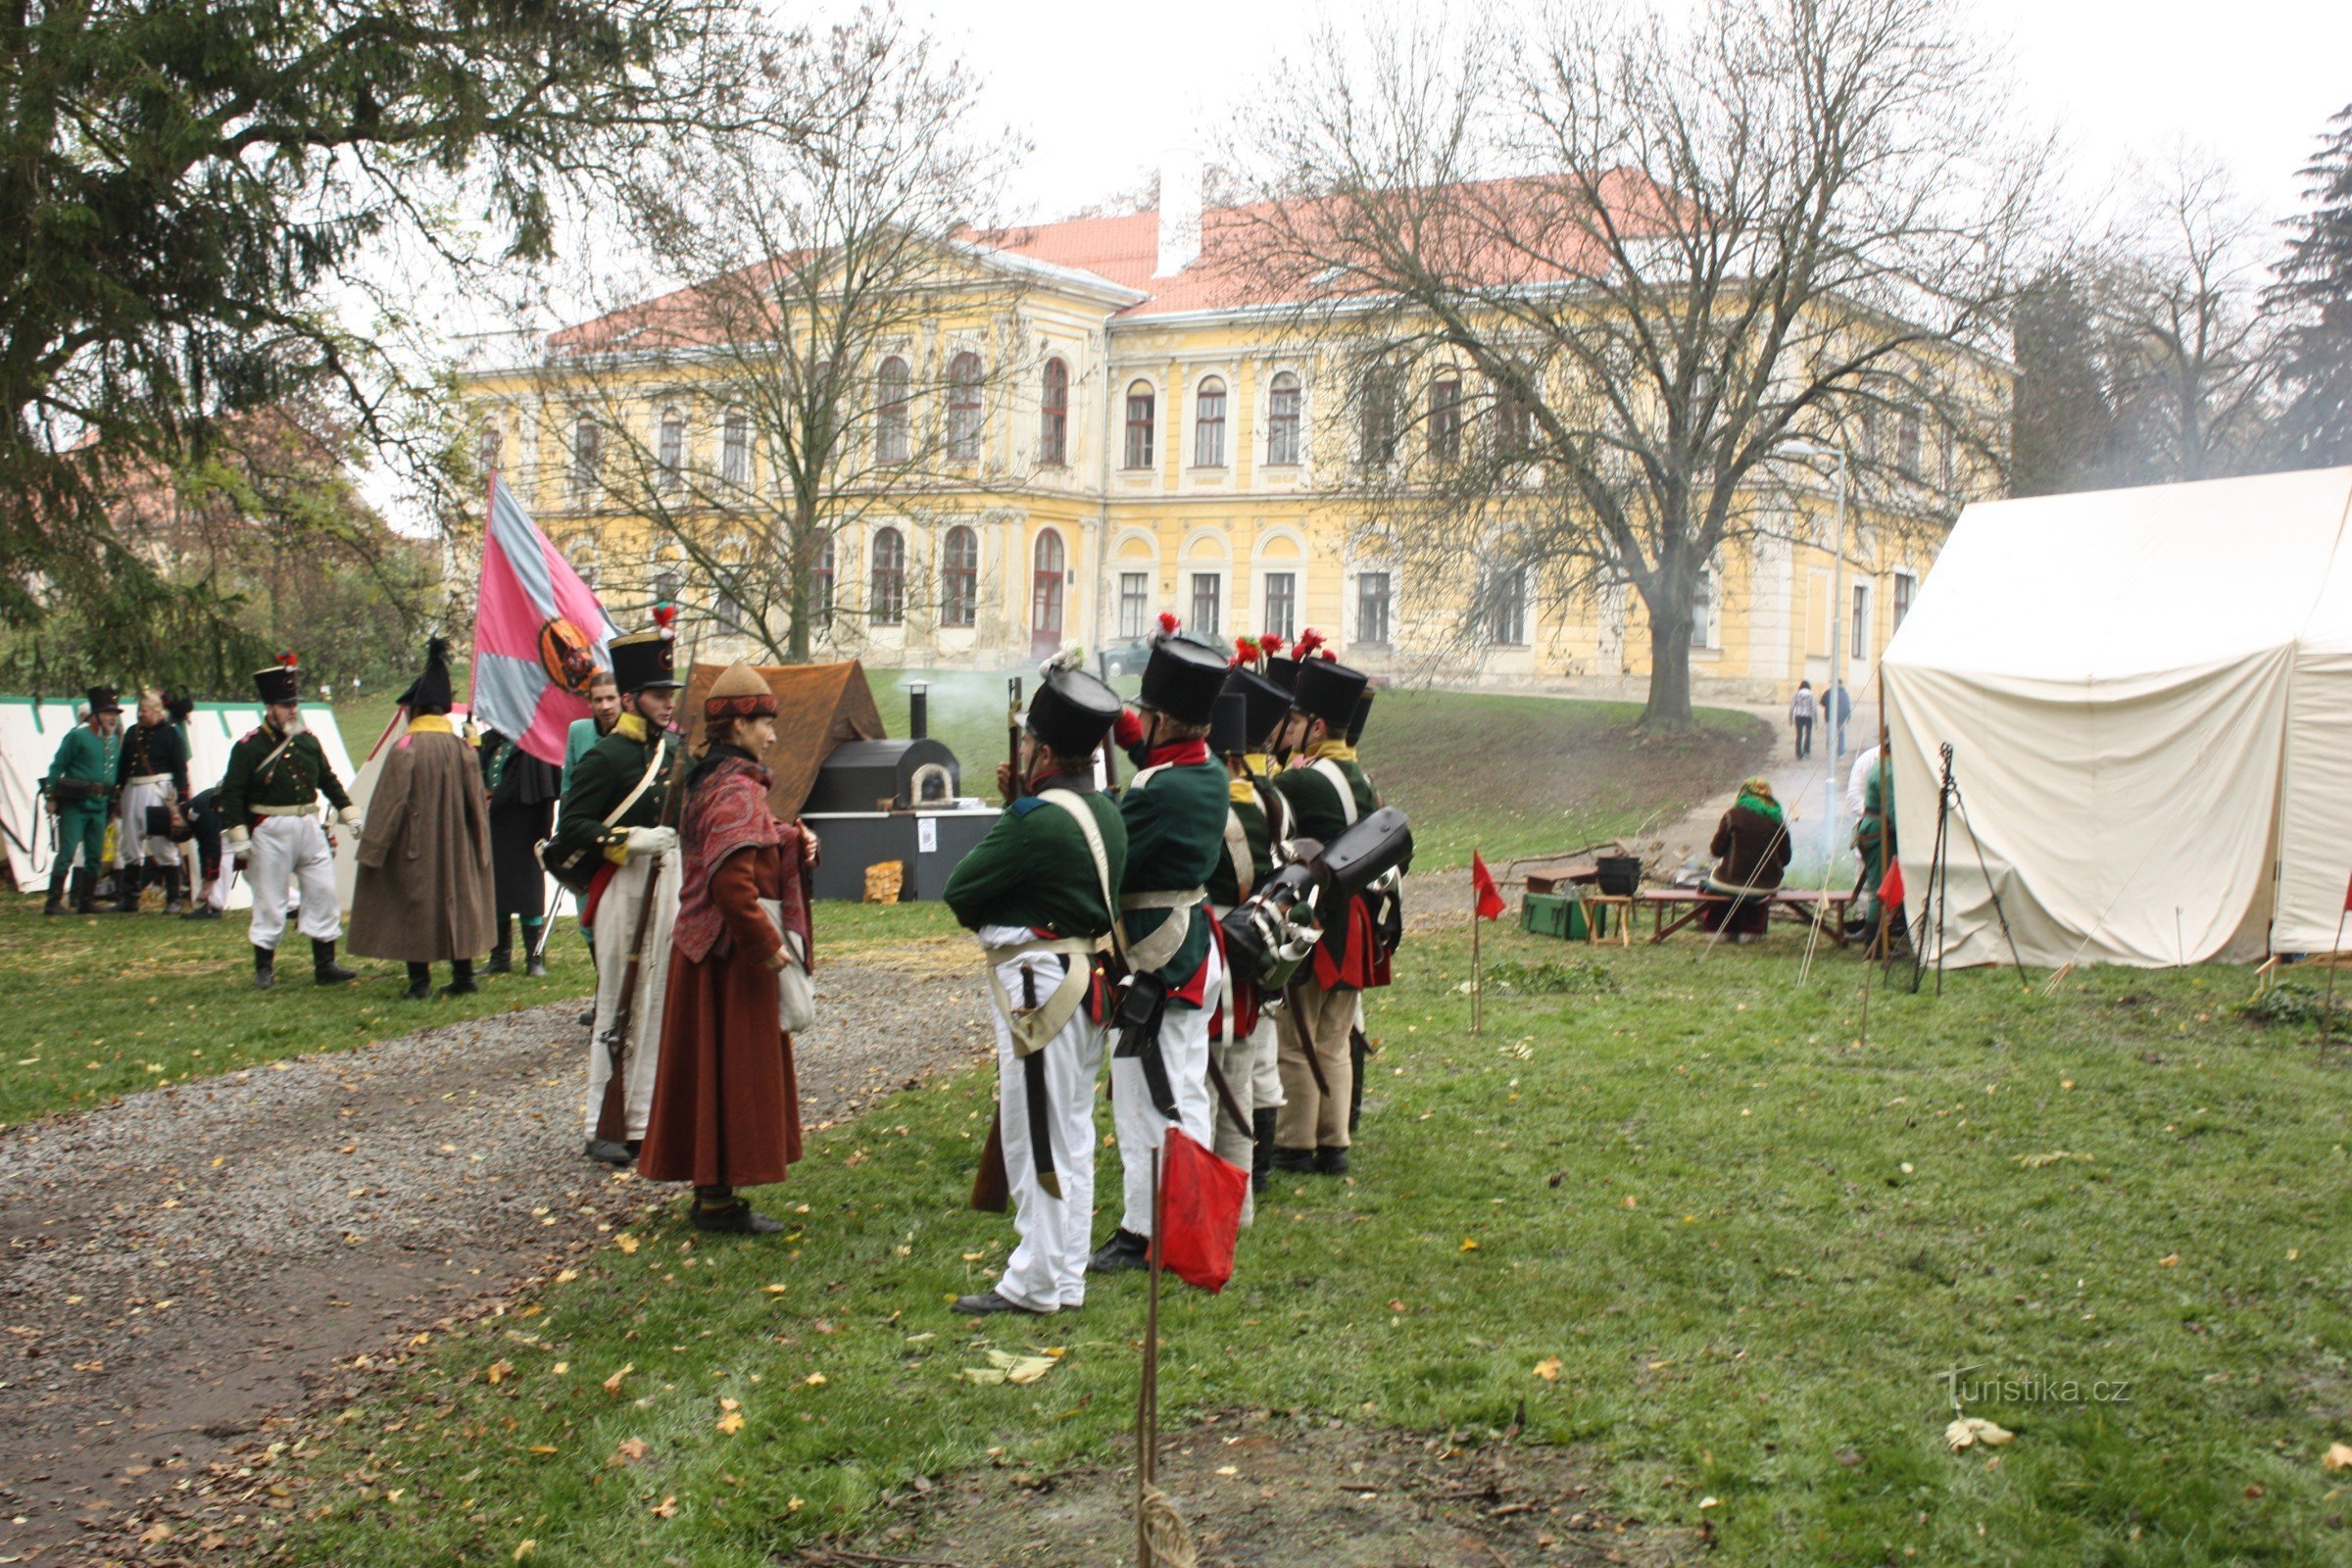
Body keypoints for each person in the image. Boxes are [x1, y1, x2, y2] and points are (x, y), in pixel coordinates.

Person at [942, 662, 1127, 1314]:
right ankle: (1064, 1275)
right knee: (1070, 1133)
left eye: (1029, 745)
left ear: (1044, 750)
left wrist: (1016, 816)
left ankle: (1036, 1283)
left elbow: (962, 891)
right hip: (1081, 984)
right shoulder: (1106, 813)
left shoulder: (1038, 819)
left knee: (1036, 1139)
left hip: (1037, 985)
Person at [638, 662, 821, 1234]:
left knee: (715, 1077)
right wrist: (767, 944)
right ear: (739, 726)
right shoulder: (736, 790)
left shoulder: (717, 781)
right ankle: (715, 1203)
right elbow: (729, 882)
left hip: (709, 951)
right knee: (731, 1078)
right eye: (765, 722)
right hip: (726, 957)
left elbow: (742, 846)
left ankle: (713, 1196)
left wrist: (789, 838)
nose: (772, 734)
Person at [1088, 632, 1234, 1277]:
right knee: (1161, 1093)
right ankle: (1159, 1225)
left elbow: (1110, 852)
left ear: (1163, 719)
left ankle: (1163, 1233)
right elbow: (1149, 755)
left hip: (1161, 955)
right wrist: (1116, 718)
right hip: (1181, 948)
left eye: (1145, 713)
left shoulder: (1159, 790)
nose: (1138, 723)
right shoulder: (1201, 769)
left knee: (1160, 1098)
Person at [545, 625, 683, 1167]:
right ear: (630, 699)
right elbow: (572, 827)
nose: (668, 703)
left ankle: (642, 1119)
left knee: (658, 1001)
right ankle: (600, 1120)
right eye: (658, 694)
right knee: (619, 1000)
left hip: (666, 877)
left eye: (670, 694)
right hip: (622, 882)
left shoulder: (674, 751)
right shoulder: (604, 757)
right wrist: (627, 840)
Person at [1265, 657, 1386, 1175]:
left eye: (1294, 721)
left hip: (1315, 920)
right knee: (1335, 1036)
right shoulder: (1359, 775)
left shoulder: (1305, 780)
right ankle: (1333, 1143)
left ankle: (1295, 1144)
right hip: (1355, 922)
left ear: (1315, 726)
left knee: (1296, 1037)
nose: (1286, 731)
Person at [350, 639, 496, 1000]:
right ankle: (464, 977)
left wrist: (373, 850)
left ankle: (420, 983)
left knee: (414, 908)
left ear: (414, 710)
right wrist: (480, 847)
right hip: (458, 846)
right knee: (458, 907)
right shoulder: (462, 749)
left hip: (414, 846)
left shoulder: (406, 749)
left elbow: (387, 804)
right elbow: (478, 806)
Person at [219, 658, 361, 989]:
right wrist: (239, 835)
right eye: (285, 705)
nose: (292, 710)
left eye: (294, 703)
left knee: (323, 892)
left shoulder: (308, 741)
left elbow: (327, 779)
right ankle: (264, 969)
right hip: (269, 829)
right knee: (270, 900)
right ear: (270, 708)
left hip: (309, 827)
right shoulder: (249, 747)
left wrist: (348, 811)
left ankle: (325, 965)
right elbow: (232, 794)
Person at [1223, 666, 1295, 1193]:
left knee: (1228, 1064)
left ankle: (1238, 1168)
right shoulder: (1274, 797)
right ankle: (1260, 1168)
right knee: (1261, 1055)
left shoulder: (1222, 800)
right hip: (1266, 932)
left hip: (1226, 935)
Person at [479, 727, 564, 976]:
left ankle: (534, 957)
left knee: (530, 893)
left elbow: (545, 792)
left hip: (526, 827)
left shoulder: (536, 742)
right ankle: (500, 957)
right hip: (495, 825)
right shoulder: (488, 741)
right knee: (497, 891)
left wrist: (545, 835)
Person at [40, 687, 122, 915]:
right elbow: (57, 766)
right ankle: (53, 902)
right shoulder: (77, 736)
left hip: (100, 805)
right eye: (108, 712)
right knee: (67, 853)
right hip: (75, 804)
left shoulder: (113, 741)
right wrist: (50, 797)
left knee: (95, 855)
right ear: (95, 714)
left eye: (115, 713)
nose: (113, 717)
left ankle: (86, 901)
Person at [110, 690, 191, 912]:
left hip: (157, 790)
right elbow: (123, 766)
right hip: (131, 790)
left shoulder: (171, 734)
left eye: (144, 711)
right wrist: (117, 792)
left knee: (162, 843)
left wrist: (182, 797)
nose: (140, 715)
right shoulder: (132, 733)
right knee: (130, 843)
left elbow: (179, 767)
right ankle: (129, 899)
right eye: (139, 711)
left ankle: (173, 899)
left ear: (157, 712)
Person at [1698, 776, 1792, 941]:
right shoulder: (1777, 820)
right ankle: (1750, 932)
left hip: (1730, 882)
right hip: (1765, 886)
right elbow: (1786, 859)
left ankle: (1720, 931)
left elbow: (1716, 850)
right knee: (1749, 891)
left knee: (1718, 883)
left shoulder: (1732, 815)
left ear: (1744, 793)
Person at [176, 785, 229, 920]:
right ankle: (291, 904)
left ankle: (212, 905)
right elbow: (206, 848)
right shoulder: (196, 808)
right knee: (257, 871)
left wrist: (206, 888)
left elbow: (213, 849)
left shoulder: (202, 810)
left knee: (225, 855)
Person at [563, 670, 621, 791]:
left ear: (622, 699)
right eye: (598, 700)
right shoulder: (577, 731)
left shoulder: (634, 733)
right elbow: (568, 784)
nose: (605, 706)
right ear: (590, 703)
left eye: (611, 698)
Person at [1789, 680, 1817, 760]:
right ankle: (1806, 751)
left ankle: (1798, 753)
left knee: (1799, 734)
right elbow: (1814, 708)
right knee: (1808, 734)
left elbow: (1792, 707)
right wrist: (1816, 720)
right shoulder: (1811, 694)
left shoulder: (1797, 694)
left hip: (1798, 716)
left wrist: (1790, 719)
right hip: (1808, 716)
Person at [1831, 680, 1853, 757]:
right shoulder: (1844, 694)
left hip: (1837, 717)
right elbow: (1847, 706)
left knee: (1836, 734)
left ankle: (1838, 751)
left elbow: (1846, 706)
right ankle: (1840, 752)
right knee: (1840, 734)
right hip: (1839, 717)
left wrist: (1848, 715)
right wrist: (1848, 716)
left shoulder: (1834, 693)